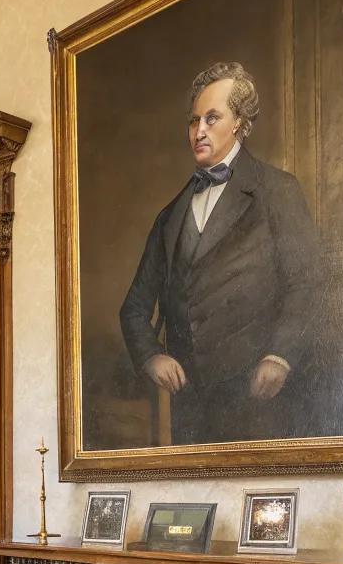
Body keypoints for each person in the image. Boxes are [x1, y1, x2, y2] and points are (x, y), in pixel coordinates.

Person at [119, 61, 320, 444]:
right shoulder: (170, 216)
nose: (199, 131)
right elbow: (133, 308)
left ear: (240, 123)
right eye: (194, 121)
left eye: (212, 118)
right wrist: (151, 356)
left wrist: (279, 356)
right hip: (190, 405)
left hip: (258, 396)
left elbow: (307, 283)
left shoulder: (277, 191)